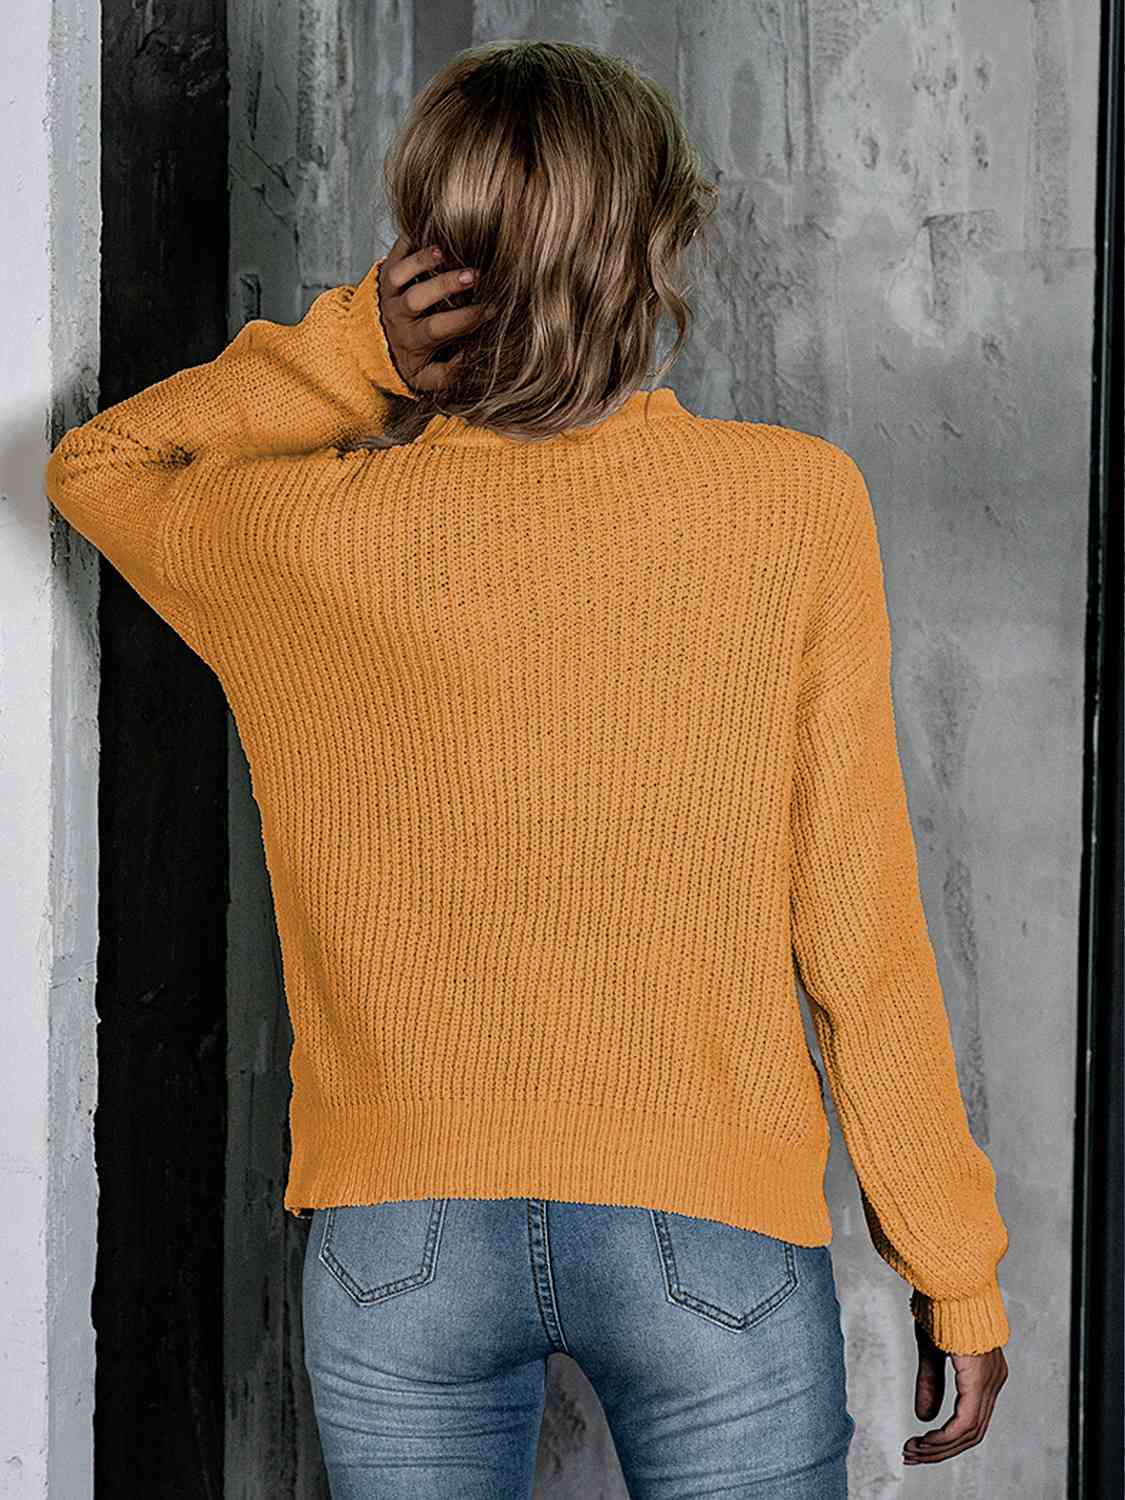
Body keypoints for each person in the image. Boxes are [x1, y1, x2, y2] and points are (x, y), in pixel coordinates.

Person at [44, 37, 1009, 1500]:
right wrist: (952, 1264)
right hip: (708, 1226)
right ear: (662, 245)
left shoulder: (309, 536)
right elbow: (855, 921)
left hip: (402, 1231)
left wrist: (357, 351)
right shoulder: (791, 509)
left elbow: (99, 467)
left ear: (434, 257)